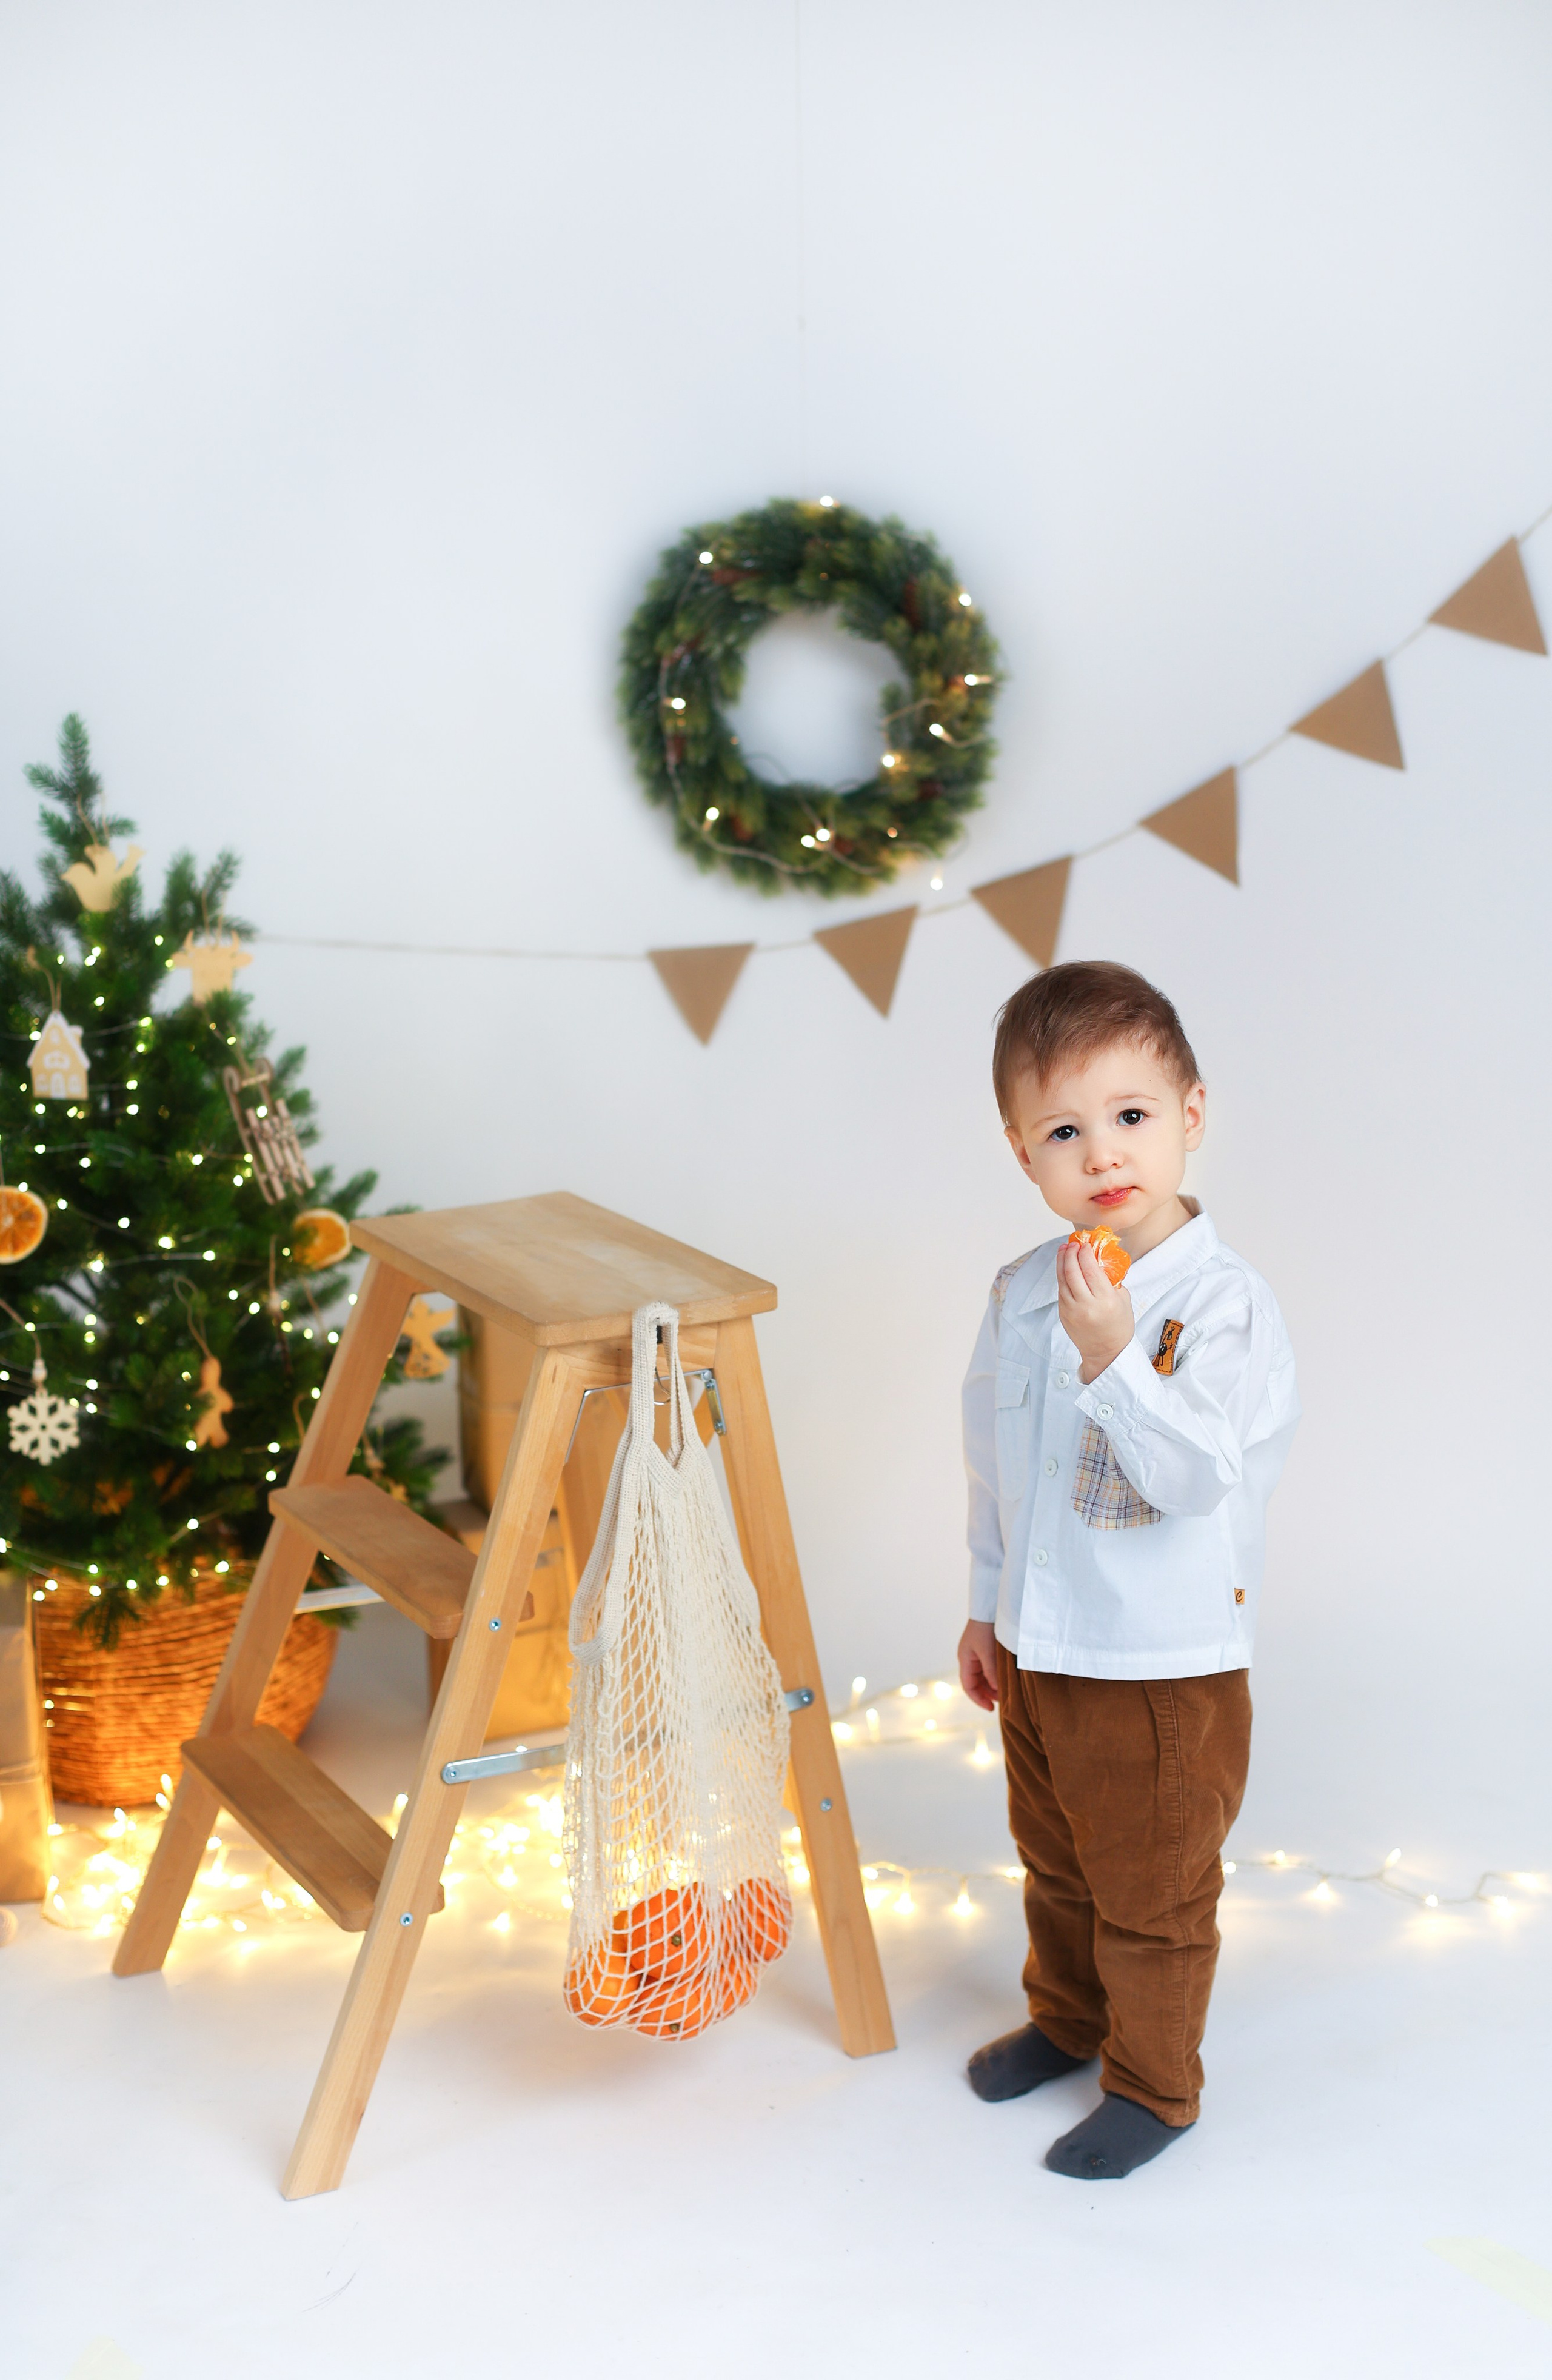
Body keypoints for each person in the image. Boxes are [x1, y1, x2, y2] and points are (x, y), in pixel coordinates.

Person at [959, 960, 1298, 2179]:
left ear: (1189, 1116)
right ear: (1023, 1153)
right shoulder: (1020, 1294)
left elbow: (1193, 1476)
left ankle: (1154, 2087)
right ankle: (1068, 2015)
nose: (1101, 1152)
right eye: (1064, 1128)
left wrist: (1114, 1358)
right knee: (1054, 1860)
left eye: (1130, 1116)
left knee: (1147, 1885)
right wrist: (985, 1603)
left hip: (1159, 1662)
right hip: (1042, 1646)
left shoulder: (1220, 1308)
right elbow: (994, 1456)